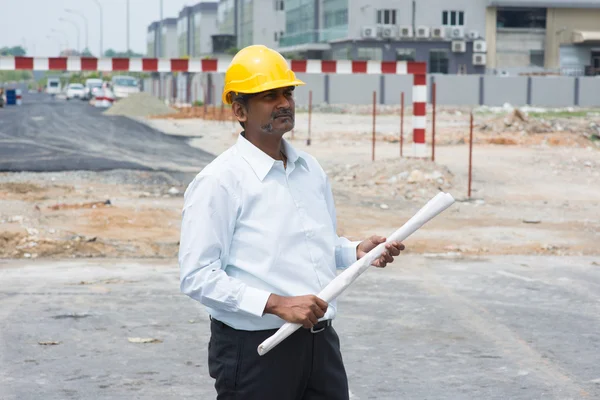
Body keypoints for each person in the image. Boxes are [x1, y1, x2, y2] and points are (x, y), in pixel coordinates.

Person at [178, 45, 405, 400]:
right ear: (239, 110)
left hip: (320, 345)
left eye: (287, 92)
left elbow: (317, 247)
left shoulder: (309, 169)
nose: (284, 102)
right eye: (269, 96)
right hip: (257, 350)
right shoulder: (219, 181)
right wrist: (277, 303)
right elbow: (197, 276)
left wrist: (355, 251)